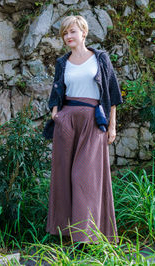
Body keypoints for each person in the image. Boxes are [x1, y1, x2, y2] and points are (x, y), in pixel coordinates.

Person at [44, 15, 123, 244]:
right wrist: (56, 114)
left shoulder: (100, 58)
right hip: (67, 121)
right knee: (64, 178)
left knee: (84, 177)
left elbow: (113, 94)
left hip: (92, 120)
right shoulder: (62, 63)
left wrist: (112, 126)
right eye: (65, 33)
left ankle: (88, 237)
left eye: (72, 32)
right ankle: (65, 234)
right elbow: (56, 91)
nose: (68, 36)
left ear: (84, 32)